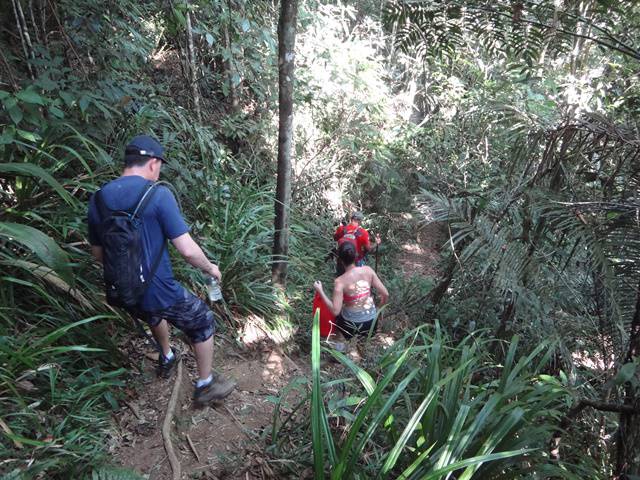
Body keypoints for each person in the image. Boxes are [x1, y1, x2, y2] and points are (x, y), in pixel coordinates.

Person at [87, 134, 235, 406]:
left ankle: (166, 356)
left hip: (122, 290)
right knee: (201, 320)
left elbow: (98, 254)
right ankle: (205, 385)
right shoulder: (158, 195)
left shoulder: (99, 199)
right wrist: (211, 268)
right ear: (153, 163)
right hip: (158, 288)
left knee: (153, 313)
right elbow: (188, 251)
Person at [313, 242, 389, 341]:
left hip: (350, 325)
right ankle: (361, 349)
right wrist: (379, 309)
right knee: (364, 343)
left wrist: (320, 291)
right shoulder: (368, 270)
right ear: (356, 256)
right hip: (371, 323)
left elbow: (335, 311)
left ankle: (341, 348)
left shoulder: (340, 282)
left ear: (340, 260)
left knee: (336, 323)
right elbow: (385, 293)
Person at [333, 211, 381, 275]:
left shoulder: (341, 229)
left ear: (351, 219)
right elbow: (368, 248)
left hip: (341, 261)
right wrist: (376, 243)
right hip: (355, 261)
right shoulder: (363, 233)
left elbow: (335, 238)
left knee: (340, 277)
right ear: (360, 221)